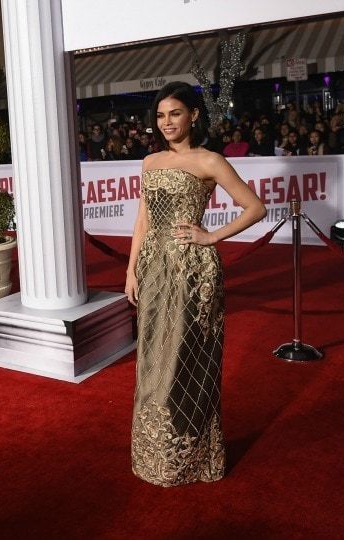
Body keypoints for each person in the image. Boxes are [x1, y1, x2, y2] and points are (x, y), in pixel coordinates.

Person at [124, 82, 266, 487]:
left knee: (186, 359)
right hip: (154, 269)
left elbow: (255, 207)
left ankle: (192, 457)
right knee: (152, 359)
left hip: (192, 272)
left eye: (175, 113)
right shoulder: (150, 162)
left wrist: (212, 236)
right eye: (160, 115)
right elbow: (144, 220)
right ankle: (156, 454)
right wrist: (132, 270)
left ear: (194, 115)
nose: (166, 122)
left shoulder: (210, 160)